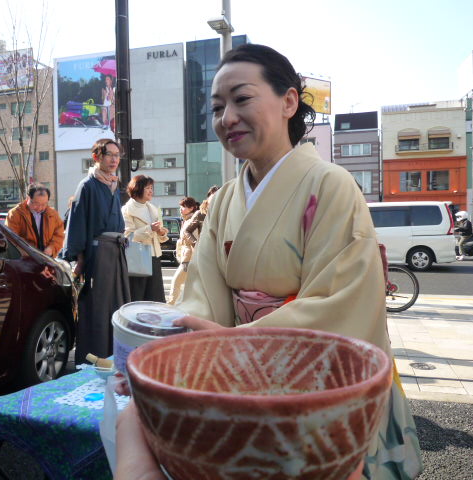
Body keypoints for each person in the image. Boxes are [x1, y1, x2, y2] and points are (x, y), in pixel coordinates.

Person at [116, 44, 422, 480]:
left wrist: (228, 345)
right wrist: (184, 347)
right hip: (239, 381)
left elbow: (340, 303)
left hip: (315, 394)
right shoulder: (223, 202)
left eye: (242, 99)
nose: (226, 118)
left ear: (289, 102)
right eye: (218, 107)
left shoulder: (331, 186)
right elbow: (203, 293)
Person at [62, 138, 130, 364]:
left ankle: (113, 354)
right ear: (97, 157)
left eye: (117, 155)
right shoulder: (88, 185)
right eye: (109, 154)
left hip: (116, 251)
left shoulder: (113, 184)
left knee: (117, 306)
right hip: (98, 254)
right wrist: (79, 258)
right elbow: (78, 221)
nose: (114, 160)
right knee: (97, 307)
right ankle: (92, 358)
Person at [121, 175, 168, 303]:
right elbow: (128, 236)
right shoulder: (126, 210)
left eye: (152, 188)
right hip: (138, 258)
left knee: (156, 299)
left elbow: (161, 238)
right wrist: (150, 229)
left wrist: (161, 232)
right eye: (147, 188)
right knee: (137, 298)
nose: (151, 191)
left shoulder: (154, 209)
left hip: (154, 257)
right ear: (137, 189)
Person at [6, 183, 65, 257]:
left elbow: (59, 235)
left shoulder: (53, 214)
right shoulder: (15, 214)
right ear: (28, 198)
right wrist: (29, 251)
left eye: (44, 204)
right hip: (24, 260)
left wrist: (51, 248)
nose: (40, 208)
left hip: (47, 260)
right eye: (36, 204)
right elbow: (11, 237)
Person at [166, 196, 199, 305]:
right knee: (189, 286)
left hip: (189, 258)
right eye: (181, 206)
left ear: (191, 208)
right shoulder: (185, 220)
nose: (181, 208)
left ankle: (171, 305)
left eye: (184, 206)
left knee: (176, 282)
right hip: (186, 257)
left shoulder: (192, 220)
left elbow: (194, 241)